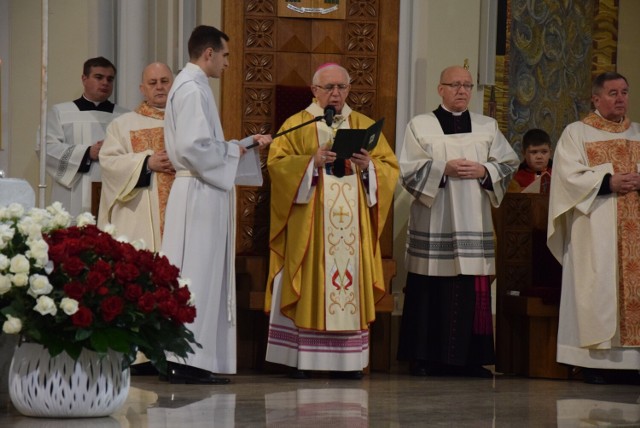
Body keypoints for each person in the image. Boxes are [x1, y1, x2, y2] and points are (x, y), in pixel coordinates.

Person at [264, 63, 399, 379]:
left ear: (349, 90)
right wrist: (310, 163)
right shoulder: (296, 125)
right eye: (329, 88)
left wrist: (368, 168)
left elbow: (390, 169)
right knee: (313, 281)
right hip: (311, 225)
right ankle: (305, 360)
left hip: (352, 228)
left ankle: (348, 362)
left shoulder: (364, 125)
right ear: (315, 91)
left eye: (341, 87)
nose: (336, 94)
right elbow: (277, 165)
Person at [161, 25, 272, 384]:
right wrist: (231, 149)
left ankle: (187, 357)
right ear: (208, 54)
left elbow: (202, 145)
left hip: (198, 190)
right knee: (197, 276)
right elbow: (195, 148)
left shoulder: (190, 85)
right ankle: (185, 359)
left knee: (195, 274)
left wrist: (240, 145)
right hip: (199, 195)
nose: (227, 63)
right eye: (224, 55)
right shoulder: (193, 88)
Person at [397, 65, 519, 378]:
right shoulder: (420, 125)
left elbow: (508, 163)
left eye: (467, 85)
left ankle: (472, 359)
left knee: (470, 290)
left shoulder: (487, 126)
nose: (462, 90)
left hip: (474, 220)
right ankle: (424, 358)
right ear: (440, 89)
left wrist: (485, 172)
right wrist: (441, 169)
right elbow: (408, 169)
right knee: (428, 288)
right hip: (434, 219)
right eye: (455, 85)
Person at [547, 71, 640, 385]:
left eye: (624, 92)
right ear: (596, 98)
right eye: (613, 93)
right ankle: (593, 363)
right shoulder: (577, 133)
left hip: (634, 231)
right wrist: (608, 181)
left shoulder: (638, 133)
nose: (620, 99)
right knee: (596, 288)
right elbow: (566, 178)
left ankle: (633, 362)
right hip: (595, 228)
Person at [98, 62, 175, 252]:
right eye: (152, 82)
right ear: (143, 89)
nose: (159, 86)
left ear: (174, 84)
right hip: (138, 218)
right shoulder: (123, 125)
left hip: (181, 212)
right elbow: (109, 163)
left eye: (164, 81)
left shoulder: (189, 122)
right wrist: (147, 162)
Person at [43, 56, 128, 217]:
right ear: (84, 78)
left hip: (113, 191)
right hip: (72, 194)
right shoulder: (61, 112)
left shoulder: (125, 116)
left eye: (110, 79)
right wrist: (87, 153)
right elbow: (46, 148)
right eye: (98, 77)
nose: (105, 83)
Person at [509, 128, 553, 192]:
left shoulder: (557, 175)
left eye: (544, 152)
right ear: (524, 153)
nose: (539, 157)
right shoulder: (516, 179)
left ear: (550, 153)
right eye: (534, 152)